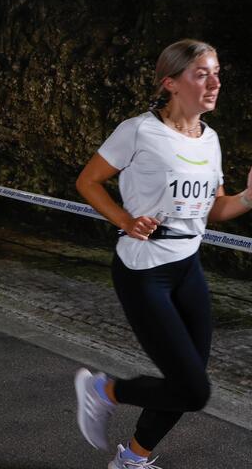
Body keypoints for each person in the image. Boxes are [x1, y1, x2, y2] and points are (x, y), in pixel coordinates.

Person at [74, 39, 252, 468]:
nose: (214, 83)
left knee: (186, 382)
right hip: (144, 271)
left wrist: (249, 197)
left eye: (217, 72)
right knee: (194, 390)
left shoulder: (211, 139)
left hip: (188, 267)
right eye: (201, 74)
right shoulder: (138, 130)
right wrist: (124, 219)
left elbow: (216, 208)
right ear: (171, 83)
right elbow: (88, 181)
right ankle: (104, 391)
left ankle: (133, 459)